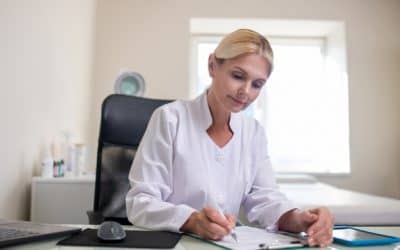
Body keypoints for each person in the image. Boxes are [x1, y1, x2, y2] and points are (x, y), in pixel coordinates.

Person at [126, 28, 334, 247]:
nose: (245, 91)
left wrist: (300, 219)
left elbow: (265, 198)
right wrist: (191, 220)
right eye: (238, 76)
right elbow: (140, 203)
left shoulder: (252, 132)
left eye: (257, 84)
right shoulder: (170, 119)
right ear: (212, 66)